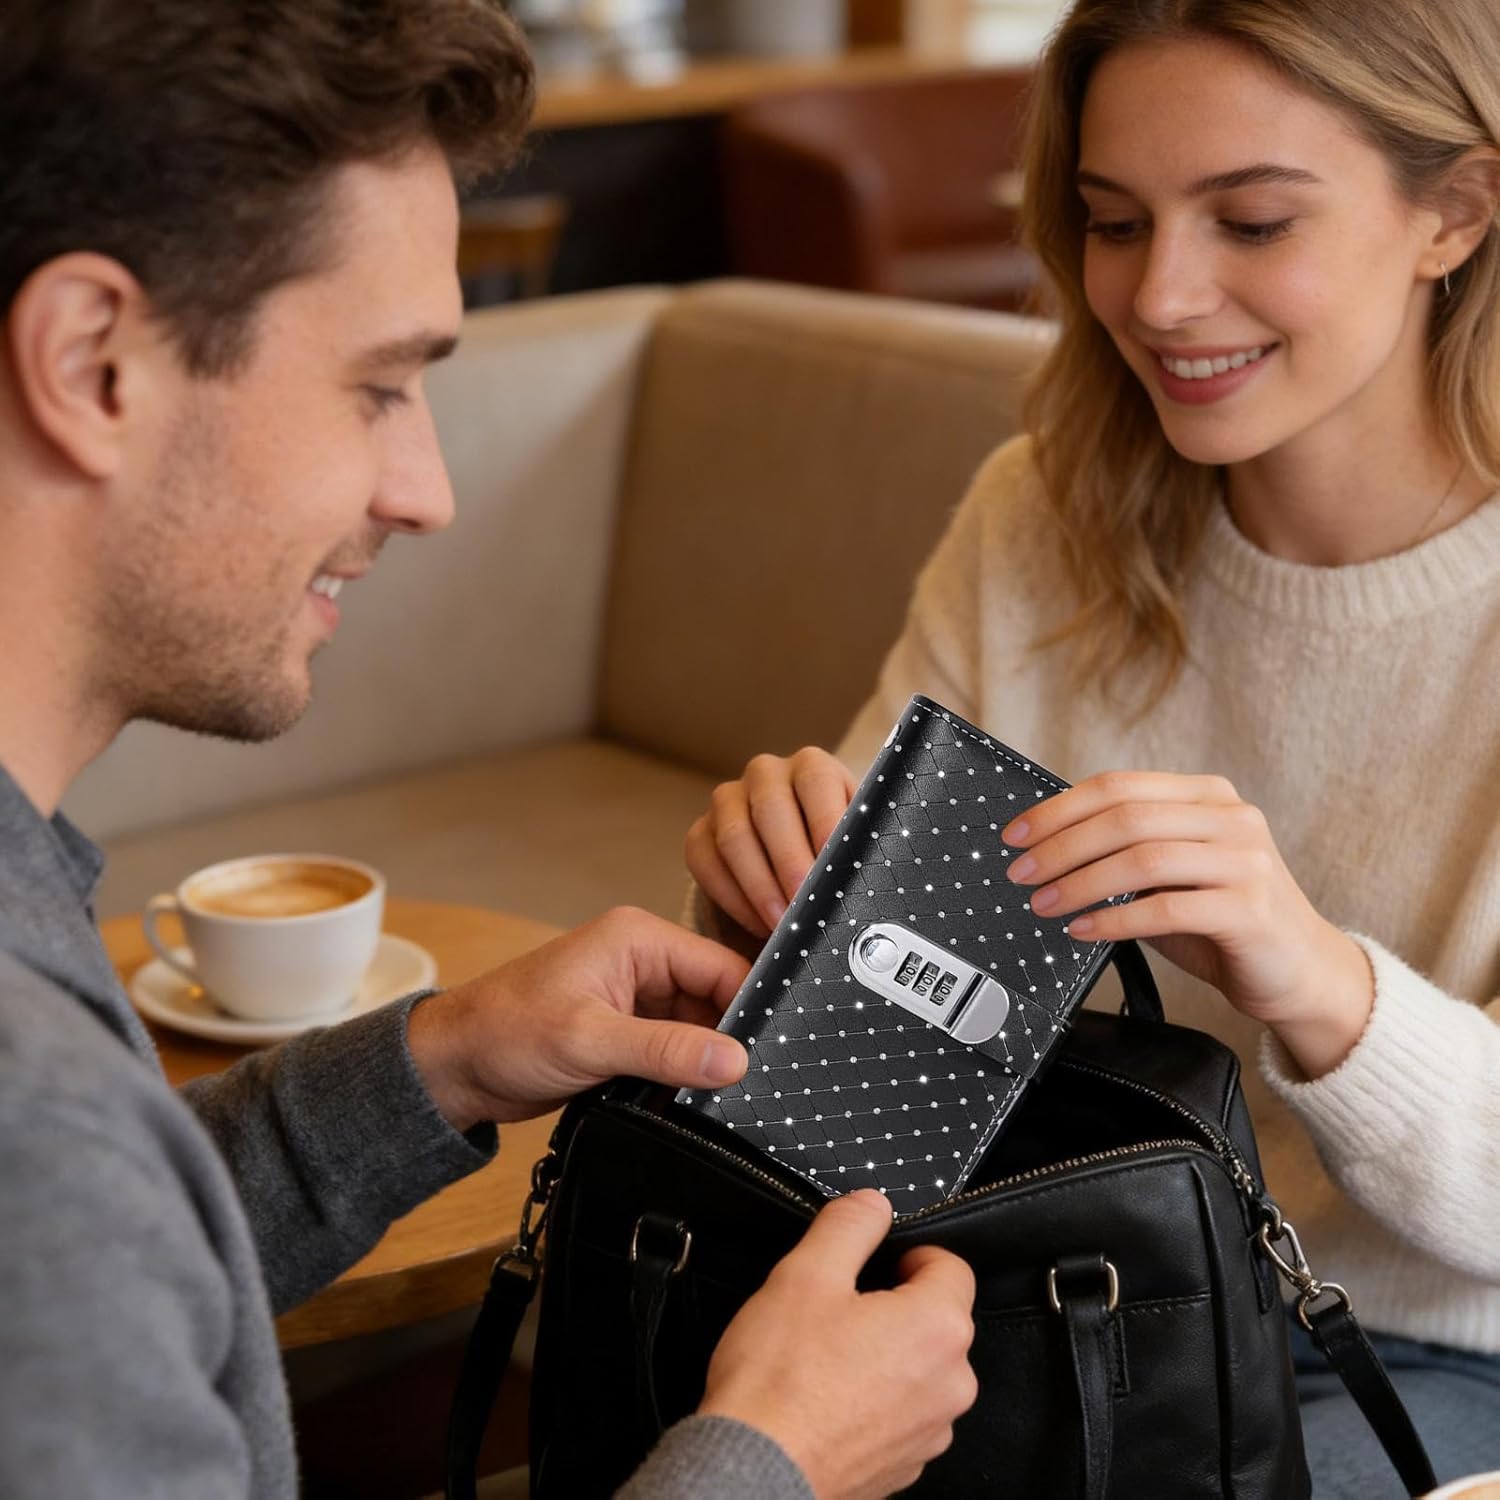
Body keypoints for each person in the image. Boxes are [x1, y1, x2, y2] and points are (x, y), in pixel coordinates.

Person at [0, 3, 981, 1497]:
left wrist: (440, 1062)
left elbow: (110, 1278)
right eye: (380, 386)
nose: (428, 488)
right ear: (90, 364)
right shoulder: (44, 1126)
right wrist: (778, 1460)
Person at [685, 0, 1500, 1494]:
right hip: (1049, 1287)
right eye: (1114, 223)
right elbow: (874, 1048)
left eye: (1252, 221)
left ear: (1453, 213)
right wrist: (782, 914)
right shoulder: (1042, 514)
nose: (1162, 296)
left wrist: (1315, 980)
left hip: (1435, 1354)